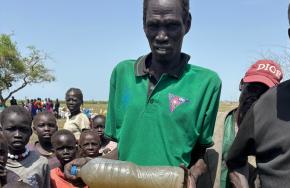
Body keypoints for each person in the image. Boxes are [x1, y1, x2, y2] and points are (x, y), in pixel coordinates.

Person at [65, 0, 221, 187]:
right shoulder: (122, 74)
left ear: (187, 23)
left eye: (171, 25)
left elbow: (199, 154)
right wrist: (93, 163)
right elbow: (123, 151)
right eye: (153, 25)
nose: (161, 36)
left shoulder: (206, 83)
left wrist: (192, 176)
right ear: (143, 25)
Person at [226, 1, 290, 187]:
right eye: (251, 87)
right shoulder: (265, 107)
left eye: (263, 90)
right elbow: (234, 161)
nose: (254, 96)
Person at [216, 60, 282, 188]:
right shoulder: (214, 123)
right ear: (241, 85)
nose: (256, 97)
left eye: (265, 93)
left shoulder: (274, 138)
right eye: (252, 88)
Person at [0, 106, 50, 187]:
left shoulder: (41, 163)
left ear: (30, 132)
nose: (17, 135)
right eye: (11, 129)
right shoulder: (2, 163)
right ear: (1, 131)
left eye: (23, 129)